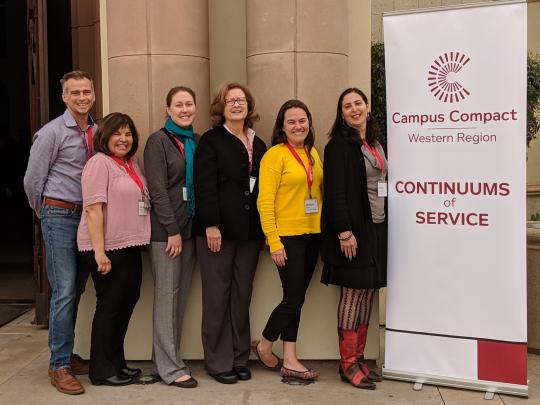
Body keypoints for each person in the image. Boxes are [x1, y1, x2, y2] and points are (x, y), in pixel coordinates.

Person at [23, 70, 96, 395]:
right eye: (75, 92)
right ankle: (59, 366)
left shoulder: (97, 130)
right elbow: (32, 181)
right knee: (64, 289)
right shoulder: (51, 133)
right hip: (59, 215)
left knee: (77, 289)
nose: (82, 97)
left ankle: (67, 353)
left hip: (87, 219)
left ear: (93, 94)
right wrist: (47, 214)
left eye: (86, 92)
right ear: (64, 97)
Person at [194, 81, 266, 384]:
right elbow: (204, 185)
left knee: (241, 295)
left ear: (248, 106)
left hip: (249, 234)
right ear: (221, 107)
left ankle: (239, 356)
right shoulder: (211, 141)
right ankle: (218, 360)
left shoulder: (258, 143)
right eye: (230, 100)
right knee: (217, 296)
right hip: (218, 232)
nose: (237, 104)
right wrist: (211, 224)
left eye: (241, 100)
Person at [77, 112, 150, 386]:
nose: (123, 139)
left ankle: (117, 363)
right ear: (104, 136)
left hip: (130, 245)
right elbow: (94, 209)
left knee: (126, 303)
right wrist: (99, 252)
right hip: (106, 248)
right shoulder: (99, 163)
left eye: (128, 133)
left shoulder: (130, 163)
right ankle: (101, 370)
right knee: (109, 307)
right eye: (117, 133)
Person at [320, 88, 387, 389]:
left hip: (377, 227)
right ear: (342, 113)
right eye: (347, 106)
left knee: (368, 292)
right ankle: (347, 364)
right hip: (353, 232)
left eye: (358, 103)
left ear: (367, 106)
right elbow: (334, 194)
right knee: (353, 294)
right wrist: (344, 232)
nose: (354, 109)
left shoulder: (374, 141)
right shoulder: (338, 146)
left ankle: (359, 358)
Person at [253, 99, 323, 382]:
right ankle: (265, 344)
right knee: (293, 297)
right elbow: (264, 201)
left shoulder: (313, 154)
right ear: (282, 127)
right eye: (291, 121)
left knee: (296, 298)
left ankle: (291, 358)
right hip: (287, 238)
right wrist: (274, 240)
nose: (298, 126)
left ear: (309, 123)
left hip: (312, 235)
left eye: (302, 120)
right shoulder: (274, 156)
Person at [143, 86, 199, 388]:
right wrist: (172, 231)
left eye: (189, 104)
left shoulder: (196, 141)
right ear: (168, 109)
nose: (184, 109)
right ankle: (170, 369)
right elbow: (158, 191)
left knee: (178, 301)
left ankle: (166, 359)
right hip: (167, 234)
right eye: (178, 104)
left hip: (190, 232)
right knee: (167, 299)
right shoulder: (158, 142)